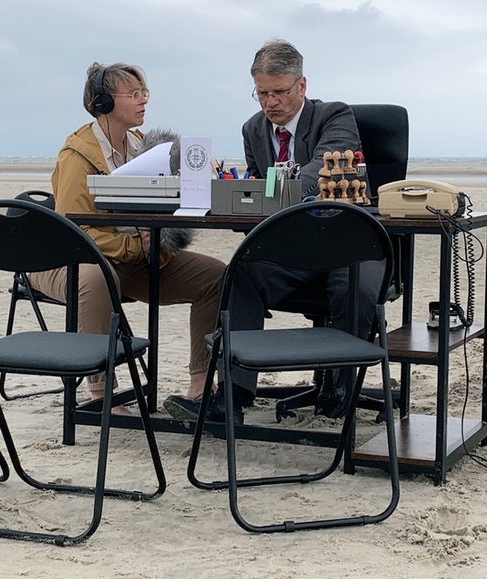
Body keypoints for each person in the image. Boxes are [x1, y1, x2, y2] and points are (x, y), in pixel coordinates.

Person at [29, 61, 224, 415]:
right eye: (133, 94)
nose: (143, 100)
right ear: (103, 102)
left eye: (144, 92)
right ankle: (101, 394)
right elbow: (74, 229)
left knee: (215, 276)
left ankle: (200, 385)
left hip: (128, 259)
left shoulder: (144, 147)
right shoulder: (77, 155)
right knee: (96, 277)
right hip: (64, 259)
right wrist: (136, 245)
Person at [230, 38, 385, 417]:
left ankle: (340, 390)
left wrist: (271, 193)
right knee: (238, 274)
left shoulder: (334, 115)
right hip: (290, 251)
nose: (270, 103)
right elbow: (253, 187)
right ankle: (234, 394)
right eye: (262, 93)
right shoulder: (253, 129)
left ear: (301, 85)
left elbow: (318, 173)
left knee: (352, 286)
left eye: (279, 92)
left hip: (348, 245)